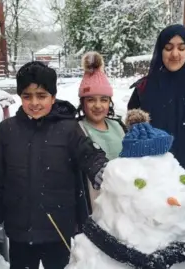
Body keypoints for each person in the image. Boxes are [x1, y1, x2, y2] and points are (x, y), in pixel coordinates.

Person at [0, 61, 108, 269]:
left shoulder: (68, 129)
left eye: (41, 96)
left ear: (53, 97)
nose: (34, 102)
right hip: (20, 228)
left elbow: (89, 154)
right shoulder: (7, 130)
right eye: (27, 96)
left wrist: (101, 169)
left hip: (57, 227)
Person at [127, 24, 185, 203]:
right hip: (149, 180)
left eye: (181, 47)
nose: (175, 54)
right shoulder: (143, 89)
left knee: (182, 226)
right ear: (160, 51)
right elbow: (131, 136)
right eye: (168, 48)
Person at [75, 51, 127, 212]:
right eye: (91, 99)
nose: (98, 105)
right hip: (94, 206)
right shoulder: (77, 129)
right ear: (83, 102)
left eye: (103, 100)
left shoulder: (119, 126)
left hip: (123, 203)